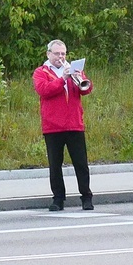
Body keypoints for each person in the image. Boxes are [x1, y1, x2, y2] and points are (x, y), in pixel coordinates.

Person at [32, 39, 94, 211]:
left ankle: (86, 197)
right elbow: (44, 90)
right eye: (57, 53)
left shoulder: (73, 68)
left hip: (74, 124)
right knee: (55, 165)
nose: (60, 57)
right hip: (53, 126)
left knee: (81, 164)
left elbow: (87, 89)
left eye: (63, 53)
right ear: (48, 54)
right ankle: (58, 199)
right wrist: (62, 79)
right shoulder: (41, 72)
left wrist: (79, 77)